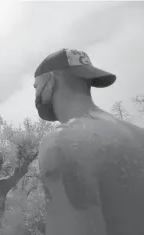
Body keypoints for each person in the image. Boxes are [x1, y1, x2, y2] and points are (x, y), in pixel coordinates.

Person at [34, 49, 144, 235]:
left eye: (36, 86)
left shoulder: (60, 142)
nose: (36, 95)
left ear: (50, 81)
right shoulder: (138, 134)